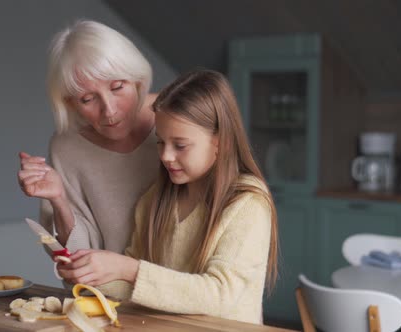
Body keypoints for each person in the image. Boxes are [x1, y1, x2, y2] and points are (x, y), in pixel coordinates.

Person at [56, 69, 279, 325]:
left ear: (221, 142)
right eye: (160, 142)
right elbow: (138, 289)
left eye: (180, 145)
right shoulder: (156, 199)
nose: (166, 156)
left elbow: (221, 295)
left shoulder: (248, 202)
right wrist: (92, 274)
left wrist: (129, 269)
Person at [17, 20, 160, 256]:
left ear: (138, 80)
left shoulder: (179, 116)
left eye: (117, 87)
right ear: (70, 103)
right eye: (87, 99)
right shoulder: (67, 148)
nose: (110, 110)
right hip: (109, 292)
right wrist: (58, 199)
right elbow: (72, 256)